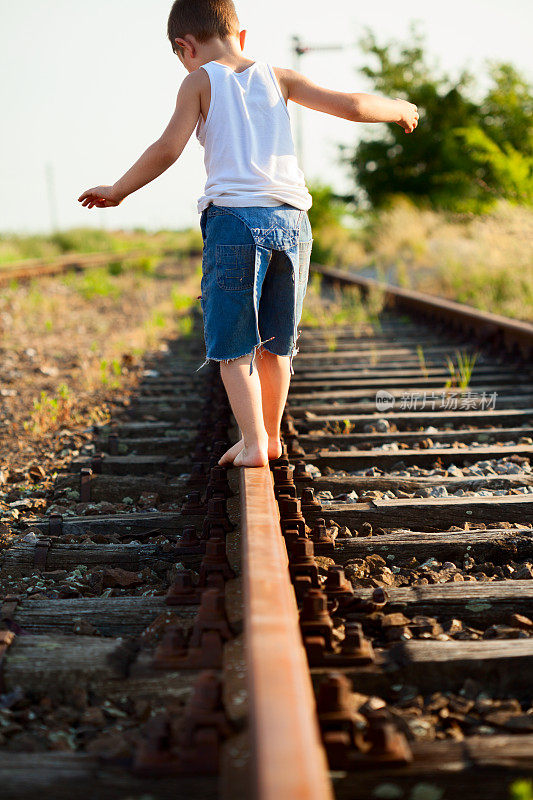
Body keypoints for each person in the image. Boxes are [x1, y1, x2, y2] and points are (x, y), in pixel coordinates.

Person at [78, 0, 419, 468]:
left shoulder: (199, 80)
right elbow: (356, 107)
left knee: (234, 345)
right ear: (241, 37)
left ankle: (255, 441)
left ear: (185, 47)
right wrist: (399, 108)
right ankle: (271, 437)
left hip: (235, 222)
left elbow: (167, 148)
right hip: (293, 223)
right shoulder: (279, 76)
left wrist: (119, 190)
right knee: (277, 345)